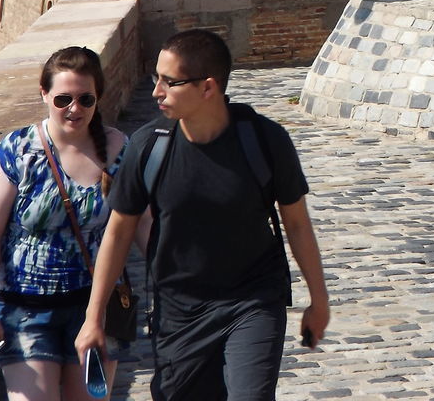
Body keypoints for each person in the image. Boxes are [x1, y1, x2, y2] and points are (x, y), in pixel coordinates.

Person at [75, 29, 330, 401]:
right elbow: (118, 233)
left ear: (208, 87)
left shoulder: (265, 141)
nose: (156, 92)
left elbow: (296, 223)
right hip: (177, 312)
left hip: (252, 301)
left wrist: (319, 300)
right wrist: (93, 317)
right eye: (155, 78)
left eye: (169, 82)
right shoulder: (148, 147)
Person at [0, 46, 138, 400]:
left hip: (97, 306)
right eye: (63, 99)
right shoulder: (18, 151)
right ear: (44, 94)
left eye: (84, 99)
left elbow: (144, 226)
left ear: (97, 98)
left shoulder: (120, 149)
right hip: (24, 306)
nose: (74, 109)